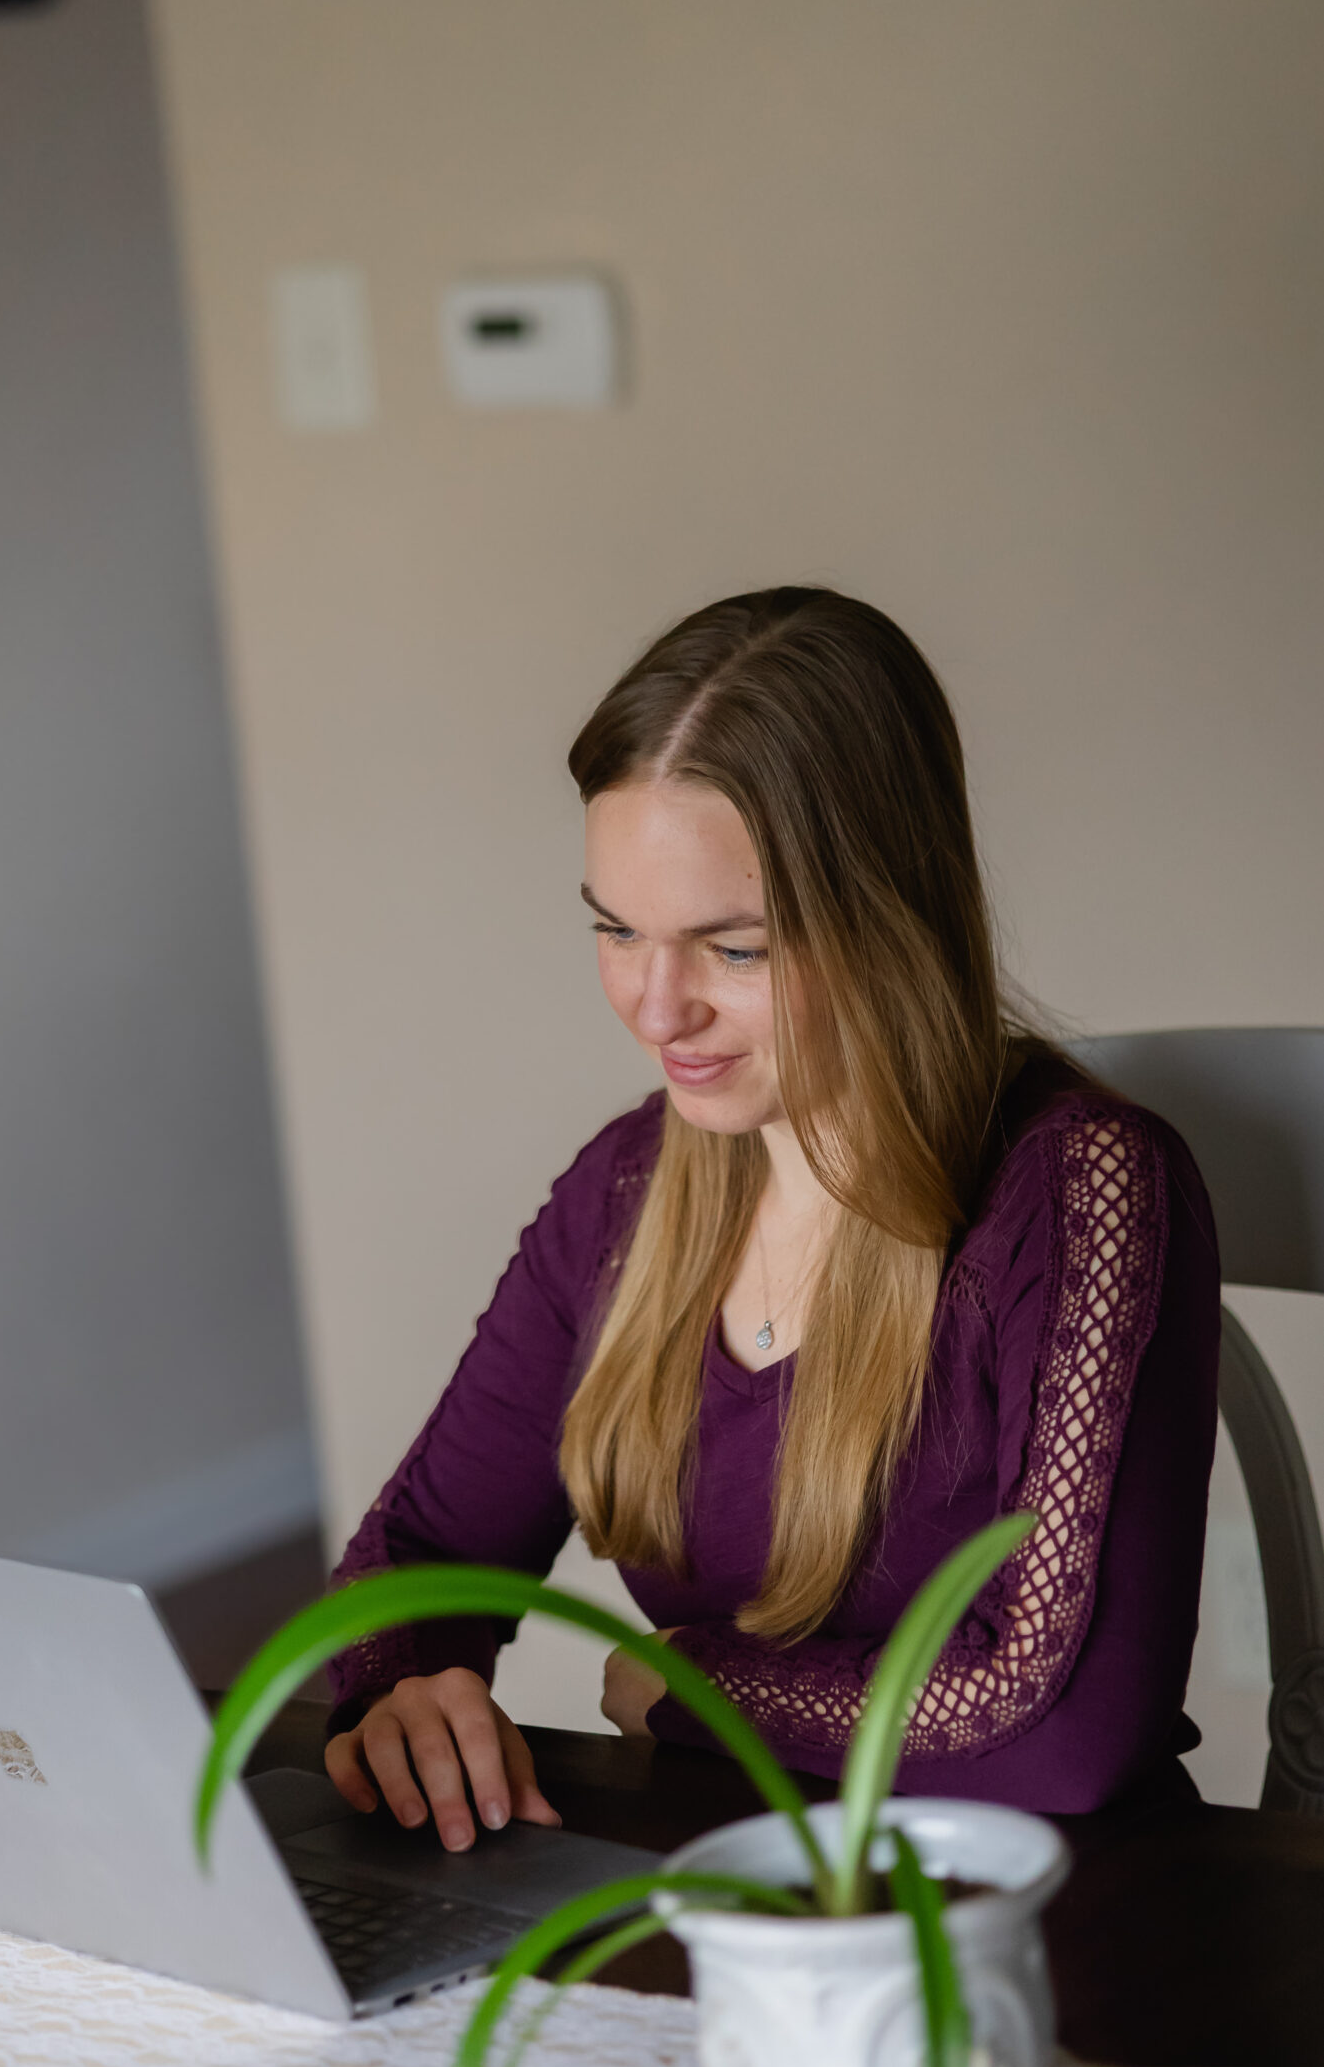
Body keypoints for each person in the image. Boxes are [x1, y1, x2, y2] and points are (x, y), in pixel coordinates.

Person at [322, 588, 1220, 1849]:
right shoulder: (627, 1190)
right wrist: (406, 1687)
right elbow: (416, 1552)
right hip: (722, 1888)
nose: (655, 1004)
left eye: (732, 949)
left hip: (1032, 1925)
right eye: (615, 927)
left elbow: (1067, 1727)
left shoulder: (1084, 1190)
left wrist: (699, 1684)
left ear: (888, 917)